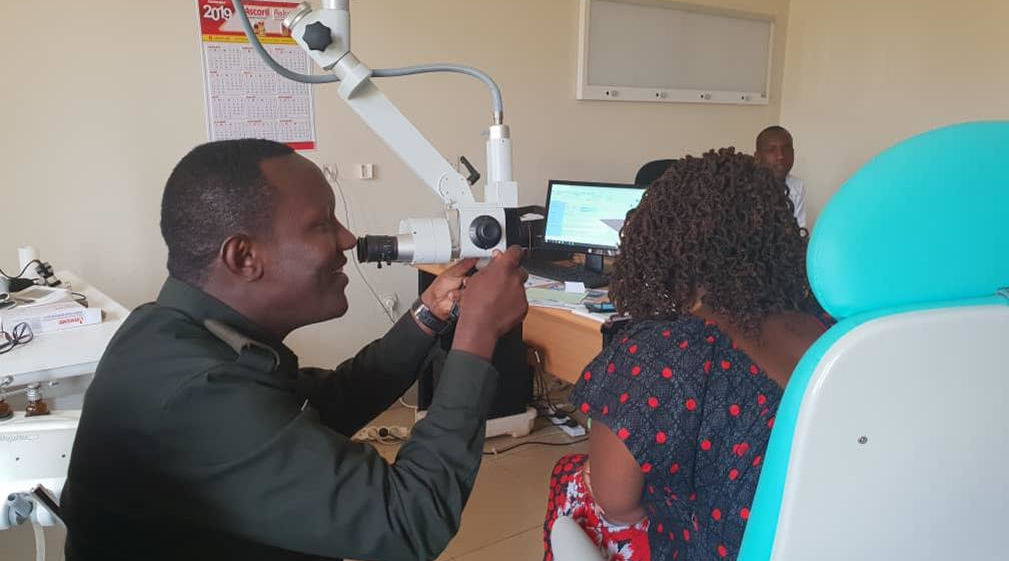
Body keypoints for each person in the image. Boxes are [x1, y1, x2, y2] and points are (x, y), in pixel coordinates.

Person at [60, 139, 529, 561]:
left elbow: (326, 403)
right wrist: (477, 337)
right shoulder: (195, 392)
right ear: (244, 257)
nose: (347, 239)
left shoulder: (170, 328)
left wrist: (430, 315)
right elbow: (404, 520)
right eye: (322, 224)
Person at [542, 148, 830, 561]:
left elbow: (619, 507)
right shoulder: (836, 330)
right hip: (819, 539)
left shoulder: (662, 355)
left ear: (662, 240)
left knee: (573, 476)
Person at [755, 125, 807, 229]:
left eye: (786, 149)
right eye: (771, 150)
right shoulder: (747, 187)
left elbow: (800, 230)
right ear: (757, 157)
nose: (780, 156)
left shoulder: (797, 186)